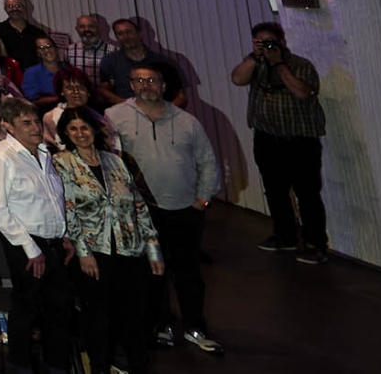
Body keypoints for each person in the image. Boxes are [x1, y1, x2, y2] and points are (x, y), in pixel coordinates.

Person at [106, 64, 222, 354]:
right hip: (143, 212)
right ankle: (163, 326)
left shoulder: (187, 121)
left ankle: (196, 327)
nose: (146, 85)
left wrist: (202, 201)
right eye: (140, 81)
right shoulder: (114, 117)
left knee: (188, 273)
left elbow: (207, 161)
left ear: (164, 86)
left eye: (153, 80)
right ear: (131, 85)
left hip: (185, 209)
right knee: (151, 274)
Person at [55, 108, 161, 374]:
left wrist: (153, 248)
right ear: (66, 134)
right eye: (73, 129)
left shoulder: (115, 160)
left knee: (136, 315)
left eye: (84, 128)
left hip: (129, 248)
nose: (80, 134)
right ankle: (100, 367)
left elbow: (138, 206)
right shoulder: (62, 162)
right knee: (98, 317)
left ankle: (138, 365)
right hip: (95, 252)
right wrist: (83, 252)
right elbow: (67, 210)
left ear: (95, 129)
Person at [0, 99, 74, 374]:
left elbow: (56, 200)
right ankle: (19, 366)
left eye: (35, 121)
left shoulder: (45, 153)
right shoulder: (0, 156)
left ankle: (56, 365)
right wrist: (30, 249)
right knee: (26, 309)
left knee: (59, 308)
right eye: (26, 123)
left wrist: (65, 235)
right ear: (8, 126)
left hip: (54, 242)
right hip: (26, 245)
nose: (35, 127)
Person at [230, 21, 327, 262]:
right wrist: (255, 56)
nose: (267, 47)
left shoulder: (300, 65)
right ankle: (285, 237)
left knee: (307, 195)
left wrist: (278, 63)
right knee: (275, 192)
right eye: (261, 42)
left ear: (282, 42)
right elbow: (237, 79)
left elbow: (302, 93)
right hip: (266, 139)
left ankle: (316, 244)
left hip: (299, 141)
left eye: (271, 42)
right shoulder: (255, 63)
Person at [97, 19, 184, 106]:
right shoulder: (109, 61)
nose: (125, 36)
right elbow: (104, 91)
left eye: (129, 32)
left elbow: (181, 97)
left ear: (139, 34)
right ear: (116, 37)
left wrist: (164, 112)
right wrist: (129, 107)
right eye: (120, 34)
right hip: (126, 113)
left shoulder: (165, 62)